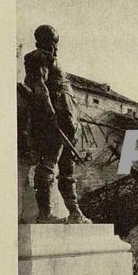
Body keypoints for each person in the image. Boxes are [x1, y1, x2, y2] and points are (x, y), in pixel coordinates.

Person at [23, 24, 91, 224]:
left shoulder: (50, 58)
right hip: (53, 123)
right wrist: (50, 115)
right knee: (48, 167)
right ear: (42, 42)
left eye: (56, 43)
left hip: (66, 123)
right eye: (53, 42)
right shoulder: (39, 57)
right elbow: (39, 88)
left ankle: (75, 212)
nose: (56, 47)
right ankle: (45, 214)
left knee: (67, 170)